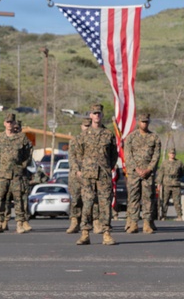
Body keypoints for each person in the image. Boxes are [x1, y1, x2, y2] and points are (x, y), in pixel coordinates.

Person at [77, 103, 118, 246]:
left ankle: (106, 233)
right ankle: (85, 233)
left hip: (104, 175)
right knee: (87, 203)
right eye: (94, 113)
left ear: (102, 115)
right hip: (88, 175)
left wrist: (107, 167)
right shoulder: (83, 135)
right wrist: (81, 169)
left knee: (105, 204)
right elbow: (78, 154)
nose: (96, 115)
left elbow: (114, 155)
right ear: (90, 115)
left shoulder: (108, 134)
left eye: (99, 113)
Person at [0, 113, 33, 234]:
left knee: (19, 199)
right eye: (7, 122)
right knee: (1, 198)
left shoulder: (22, 138)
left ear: (15, 123)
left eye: (11, 122)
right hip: (3, 174)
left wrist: (22, 165)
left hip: (17, 174)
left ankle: (19, 224)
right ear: (4, 123)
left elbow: (28, 154)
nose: (9, 124)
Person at [123, 111, 161, 234]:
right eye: (142, 122)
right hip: (134, 173)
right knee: (133, 197)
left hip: (148, 173)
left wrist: (149, 169)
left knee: (148, 198)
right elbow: (128, 155)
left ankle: (147, 223)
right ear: (138, 122)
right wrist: (136, 168)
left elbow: (156, 155)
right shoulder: (131, 137)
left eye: (146, 122)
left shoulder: (154, 137)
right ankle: (133, 222)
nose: (144, 124)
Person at [65, 119, 90, 234]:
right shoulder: (75, 140)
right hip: (76, 174)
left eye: (89, 126)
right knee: (76, 198)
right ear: (81, 126)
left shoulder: (95, 139)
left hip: (91, 173)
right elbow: (72, 157)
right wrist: (77, 170)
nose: (87, 128)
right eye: (85, 126)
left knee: (92, 199)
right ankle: (74, 221)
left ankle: (94, 221)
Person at [157, 148, 184, 221]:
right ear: (168, 154)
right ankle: (164, 216)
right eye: (171, 153)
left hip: (176, 184)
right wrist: (159, 183)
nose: (172, 155)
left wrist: (177, 177)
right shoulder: (164, 163)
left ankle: (179, 216)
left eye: (173, 153)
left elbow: (182, 172)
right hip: (166, 184)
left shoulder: (179, 162)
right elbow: (161, 173)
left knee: (177, 201)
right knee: (165, 201)